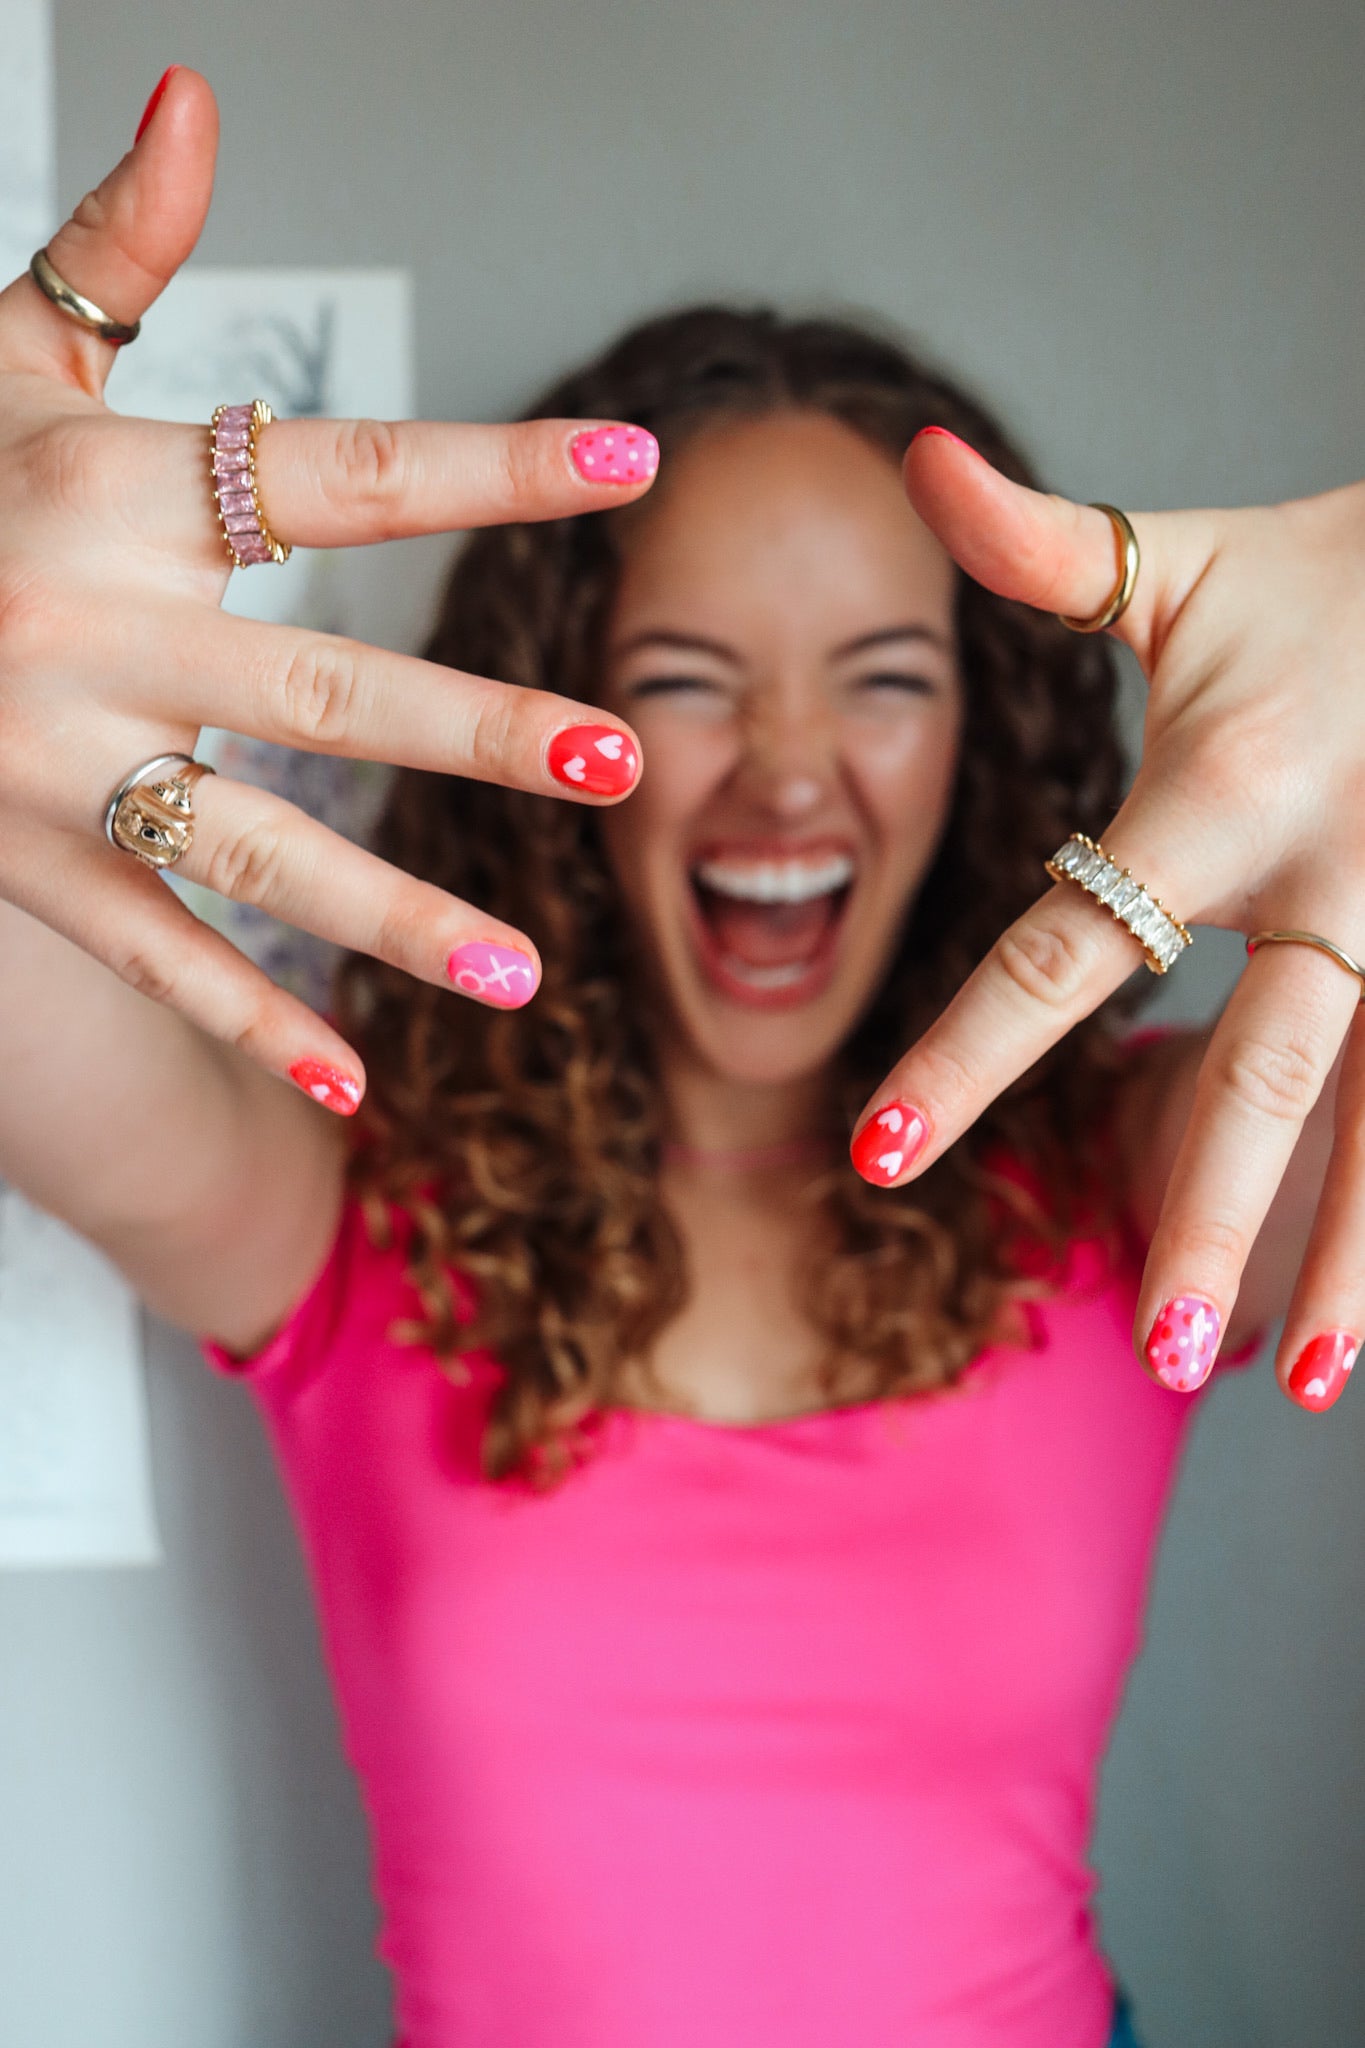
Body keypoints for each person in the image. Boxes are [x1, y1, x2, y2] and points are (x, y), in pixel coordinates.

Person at [1, 66, 1361, 2048]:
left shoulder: (1145, 1167)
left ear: (976, 732)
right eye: (683, 682)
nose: (789, 769)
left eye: (880, 681)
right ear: (566, 743)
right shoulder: (338, 1197)